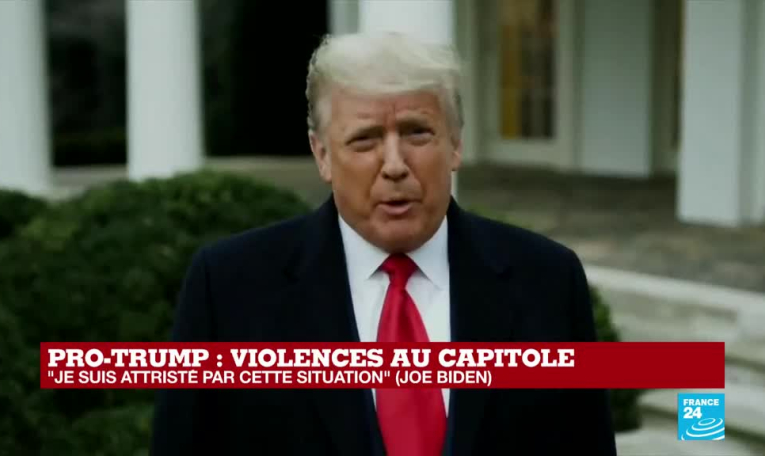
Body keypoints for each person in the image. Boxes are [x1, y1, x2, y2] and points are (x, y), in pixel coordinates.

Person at [150, 32, 617, 456]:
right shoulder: (229, 288)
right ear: (322, 155)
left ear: (455, 144)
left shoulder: (548, 280)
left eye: (417, 132)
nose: (394, 164)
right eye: (365, 139)